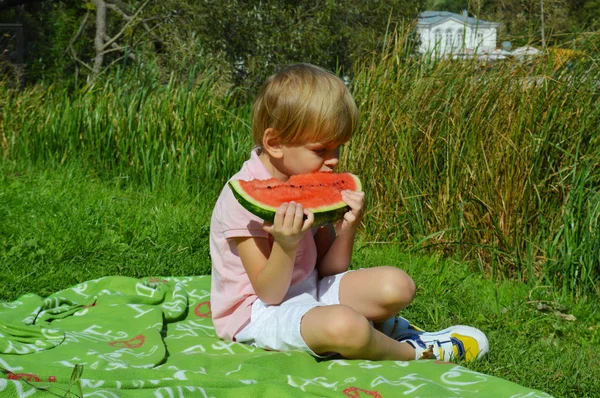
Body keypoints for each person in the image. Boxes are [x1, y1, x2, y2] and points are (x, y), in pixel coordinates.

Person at [209, 63, 489, 362]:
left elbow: (330, 271)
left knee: (397, 285)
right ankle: (417, 352)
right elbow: (270, 294)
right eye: (321, 150)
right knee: (345, 326)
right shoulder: (241, 199)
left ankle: (378, 331)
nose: (332, 162)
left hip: (312, 293)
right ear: (275, 143)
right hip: (259, 313)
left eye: (338, 148)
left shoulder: (304, 180)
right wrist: (285, 246)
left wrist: (347, 231)